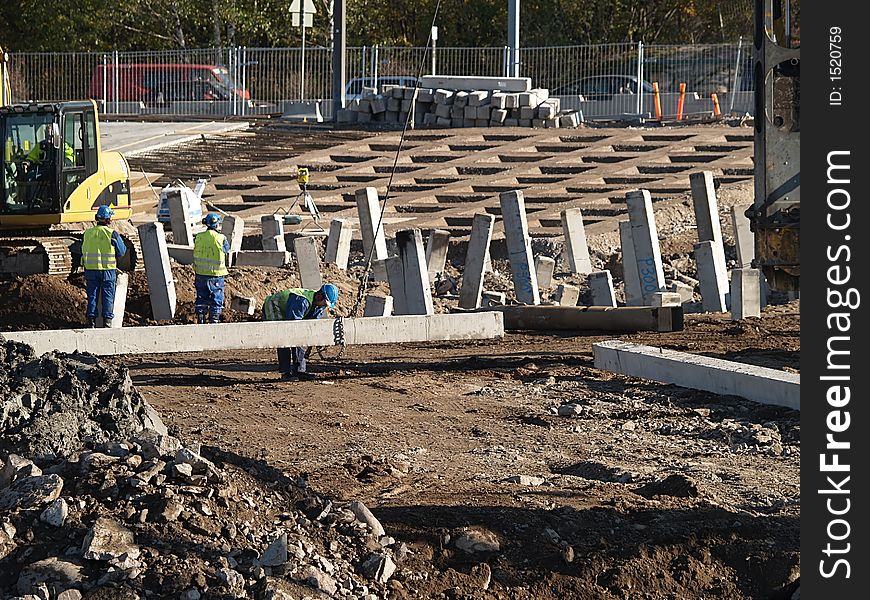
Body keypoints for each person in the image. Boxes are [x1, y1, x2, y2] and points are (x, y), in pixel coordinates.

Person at [262, 284, 339, 381]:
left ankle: (299, 371)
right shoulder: (301, 301)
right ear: (320, 297)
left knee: (300, 338)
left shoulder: (318, 306)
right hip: (274, 305)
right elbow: (294, 326)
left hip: (290, 311)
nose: (324, 307)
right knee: (283, 337)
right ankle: (286, 373)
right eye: (325, 304)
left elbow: (310, 326)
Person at [81, 204, 127, 328]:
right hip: (107, 270)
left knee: (92, 296)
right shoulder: (112, 234)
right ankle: (107, 323)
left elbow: (83, 250)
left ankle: (91, 322)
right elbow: (122, 251)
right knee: (107, 296)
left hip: (91, 270)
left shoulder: (88, 233)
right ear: (108, 219)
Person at [192, 212, 231, 324]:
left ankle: (201, 318)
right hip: (216, 275)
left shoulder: (199, 237)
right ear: (217, 224)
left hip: (200, 274)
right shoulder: (221, 238)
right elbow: (226, 250)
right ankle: (214, 320)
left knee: (201, 297)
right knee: (216, 298)